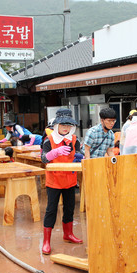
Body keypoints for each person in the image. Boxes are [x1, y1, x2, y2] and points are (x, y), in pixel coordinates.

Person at [40, 108, 84, 255]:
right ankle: (46, 241)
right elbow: (44, 158)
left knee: (69, 207)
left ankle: (68, 234)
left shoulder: (74, 139)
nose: (65, 128)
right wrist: (55, 152)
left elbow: (78, 153)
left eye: (68, 125)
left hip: (70, 179)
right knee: (51, 209)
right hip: (54, 180)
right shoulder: (49, 139)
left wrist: (79, 156)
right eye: (62, 125)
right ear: (56, 125)